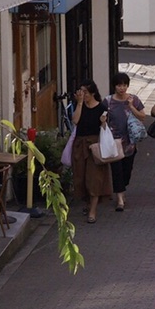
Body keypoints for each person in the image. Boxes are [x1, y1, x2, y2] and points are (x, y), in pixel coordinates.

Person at [61, 81, 111, 223]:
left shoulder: (101, 107)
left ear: (93, 93)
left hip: (94, 146)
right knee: (81, 178)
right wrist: (80, 103)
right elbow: (75, 121)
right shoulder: (80, 106)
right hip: (80, 145)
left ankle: (93, 211)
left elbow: (106, 127)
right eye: (80, 92)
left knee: (94, 178)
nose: (82, 95)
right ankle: (88, 203)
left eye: (85, 93)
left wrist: (103, 122)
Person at [104, 71, 149, 213]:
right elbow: (103, 117)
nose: (122, 88)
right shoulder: (108, 101)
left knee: (126, 171)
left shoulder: (134, 99)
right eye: (119, 85)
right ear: (114, 86)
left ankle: (122, 190)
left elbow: (143, 117)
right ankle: (120, 199)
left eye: (124, 85)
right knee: (116, 170)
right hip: (114, 141)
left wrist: (131, 107)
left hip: (129, 142)